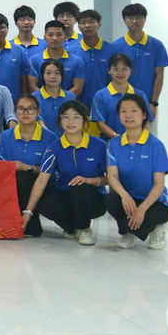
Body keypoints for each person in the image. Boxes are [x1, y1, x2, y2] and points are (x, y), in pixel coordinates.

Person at [23, 100, 107, 245]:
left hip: (92, 198)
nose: (70, 121)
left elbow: (111, 178)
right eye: (66, 117)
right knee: (45, 204)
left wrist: (90, 180)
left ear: (84, 120)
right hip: (65, 195)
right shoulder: (54, 147)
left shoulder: (99, 145)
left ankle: (85, 228)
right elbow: (42, 180)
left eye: (76, 117)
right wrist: (28, 212)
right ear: (60, 120)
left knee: (79, 188)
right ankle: (71, 227)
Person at [105, 94, 168, 250]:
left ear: (143, 115)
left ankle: (157, 226)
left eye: (134, 111)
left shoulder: (155, 145)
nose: (128, 115)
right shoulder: (113, 144)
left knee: (141, 219)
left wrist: (142, 209)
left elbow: (158, 184)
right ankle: (127, 231)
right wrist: (124, 195)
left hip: (155, 202)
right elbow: (112, 176)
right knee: (111, 199)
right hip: (129, 198)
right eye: (123, 111)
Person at [0, 94, 59, 236]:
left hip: (43, 183)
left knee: (23, 176)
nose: (25, 113)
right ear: (15, 112)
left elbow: (52, 171)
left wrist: (28, 167)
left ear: (38, 112)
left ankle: (29, 225)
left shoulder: (50, 137)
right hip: (13, 183)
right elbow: (1, 165)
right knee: (20, 177)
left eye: (30, 109)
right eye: (21, 109)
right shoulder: (5, 136)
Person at [113, 3, 168, 119]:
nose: (134, 21)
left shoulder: (156, 45)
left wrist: (154, 103)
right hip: (122, 103)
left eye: (138, 17)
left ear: (145, 19)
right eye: (130, 18)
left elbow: (159, 74)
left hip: (148, 103)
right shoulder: (116, 46)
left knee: (147, 131)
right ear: (124, 20)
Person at [92, 53, 154, 138]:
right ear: (109, 70)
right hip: (109, 141)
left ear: (131, 70)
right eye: (115, 69)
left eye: (124, 69)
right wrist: (118, 138)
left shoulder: (140, 95)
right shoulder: (100, 95)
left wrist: (140, 139)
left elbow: (147, 121)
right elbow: (100, 123)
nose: (120, 73)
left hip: (136, 142)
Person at [27, 20, 86, 97]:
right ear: (44, 37)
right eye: (50, 35)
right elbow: (32, 86)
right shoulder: (34, 60)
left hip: (68, 103)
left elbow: (77, 88)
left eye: (59, 35)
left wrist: (62, 100)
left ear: (65, 37)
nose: (55, 38)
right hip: (42, 103)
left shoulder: (77, 61)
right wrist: (47, 100)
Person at [76, 9, 115, 110]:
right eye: (83, 22)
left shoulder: (111, 50)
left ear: (99, 25)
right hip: (79, 107)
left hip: (106, 104)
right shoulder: (72, 51)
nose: (87, 25)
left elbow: (115, 78)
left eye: (92, 22)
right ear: (78, 27)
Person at [31, 59, 76, 134]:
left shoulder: (70, 97)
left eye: (57, 73)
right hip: (43, 138)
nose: (52, 76)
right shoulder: (34, 98)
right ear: (43, 75)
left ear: (62, 76)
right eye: (48, 73)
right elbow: (39, 123)